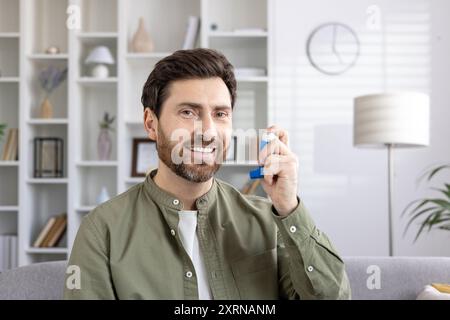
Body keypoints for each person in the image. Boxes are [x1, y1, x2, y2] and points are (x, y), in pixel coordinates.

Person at [64, 48, 351, 300]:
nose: (208, 132)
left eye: (220, 114)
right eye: (188, 112)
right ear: (151, 124)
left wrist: (289, 207)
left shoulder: (270, 220)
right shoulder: (102, 230)